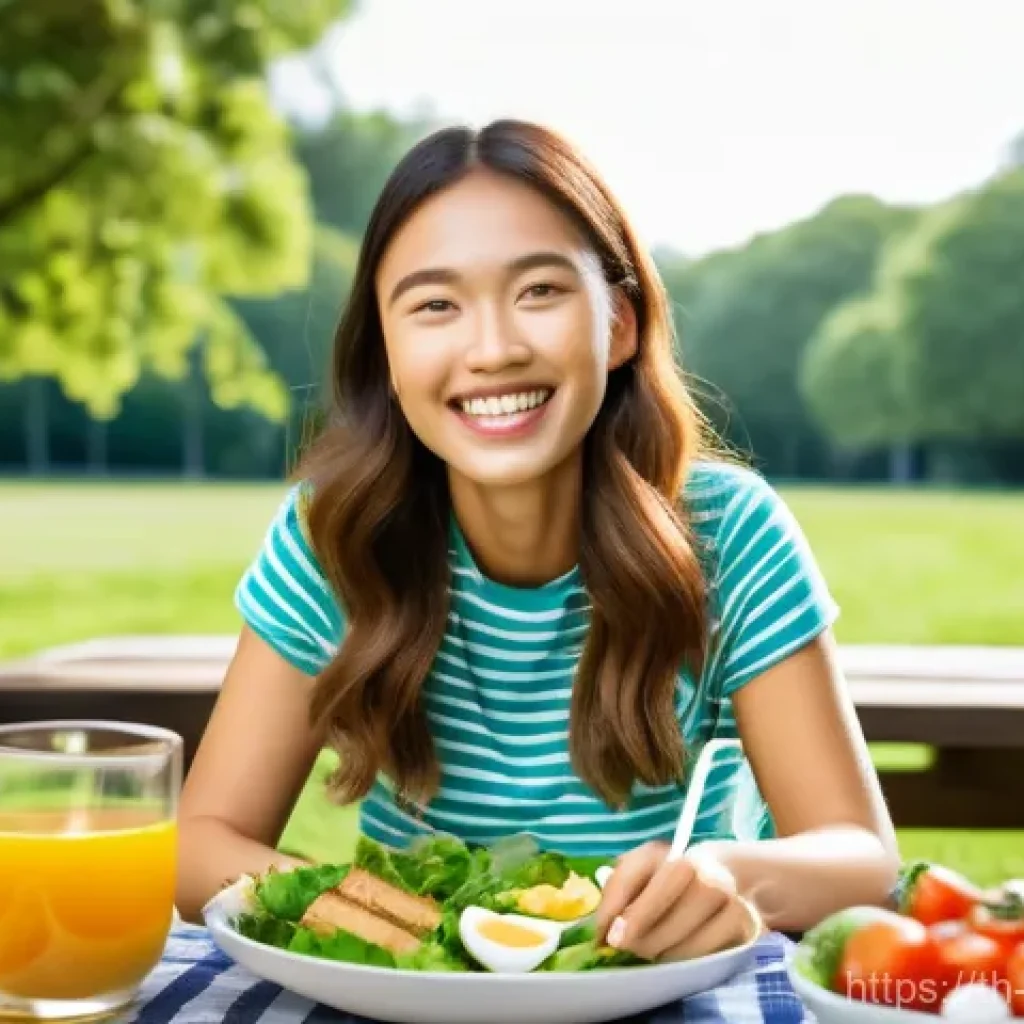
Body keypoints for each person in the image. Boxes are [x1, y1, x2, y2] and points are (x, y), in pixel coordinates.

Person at [175, 119, 899, 971]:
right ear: (388, 351)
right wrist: (363, 917)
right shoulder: (331, 537)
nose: (493, 351)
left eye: (540, 292)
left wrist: (727, 874)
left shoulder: (730, 532)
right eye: (436, 306)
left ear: (620, 323)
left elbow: (860, 858)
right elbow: (198, 842)